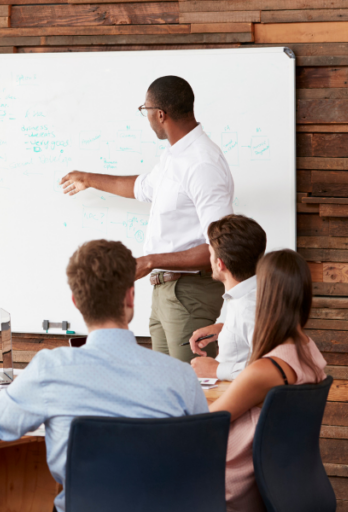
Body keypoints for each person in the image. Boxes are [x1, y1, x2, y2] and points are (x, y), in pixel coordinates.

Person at [0, 240, 208, 512]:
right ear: (130, 297)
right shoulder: (182, 376)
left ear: (76, 303)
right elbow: (204, 460)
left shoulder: (50, 369)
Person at [60, 75, 234, 362]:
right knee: (167, 389)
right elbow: (141, 187)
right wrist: (89, 179)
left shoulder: (202, 163)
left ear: (160, 114)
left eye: (146, 110)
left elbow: (219, 249)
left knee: (189, 387)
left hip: (188, 292)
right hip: (165, 290)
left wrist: (152, 260)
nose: (147, 117)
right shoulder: (174, 157)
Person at [208, 250, 328, 511]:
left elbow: (207, 424)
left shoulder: (266, 370)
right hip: (284, 479)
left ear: (264, 296)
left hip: (234, 483)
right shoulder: (310, 353)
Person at [189, 214, 267, 381]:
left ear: (220, 264)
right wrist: (221, 329)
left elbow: (269, 368)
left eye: (210, 254)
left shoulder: (248, 307)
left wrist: (216, 370)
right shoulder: (247, 295)